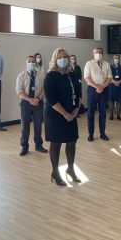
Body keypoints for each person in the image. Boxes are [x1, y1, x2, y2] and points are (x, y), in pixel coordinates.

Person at [44, 48, 81, 186]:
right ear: (55, 59)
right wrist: (65, 114)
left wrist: (76, 109)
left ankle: (70, 169)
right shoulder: (51, 76)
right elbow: (51, 99)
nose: (63, 59)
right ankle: (55, 172)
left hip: (72, 114)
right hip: (56, 115)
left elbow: (78, 93)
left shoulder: (72, 74)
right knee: (56, 143)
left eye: (65, 56)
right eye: (60, 57)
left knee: (72, 142)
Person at [16, 56, 48, 156]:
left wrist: (37, 99)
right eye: (29, 62)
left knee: (38, 126)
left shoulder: (41, 75)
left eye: (33, 61)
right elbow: (19, 91)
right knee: (25, 126)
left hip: (38, 103)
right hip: (26, 103)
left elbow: (45, 89)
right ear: (26, 63)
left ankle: (38, 145)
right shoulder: (21, 76)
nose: (31, 63)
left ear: (36, 63)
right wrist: (30, 99)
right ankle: (24, 147)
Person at [84, 47, 112, 141]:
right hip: (92, 90)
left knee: (103, 113)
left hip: (104, 90)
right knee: (90, 113)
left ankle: (102, 133)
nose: (98, 54)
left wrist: (102, 87)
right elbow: (87, 78)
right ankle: (91, 134)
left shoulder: (107, 64)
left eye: (100, 52)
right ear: (93, 53)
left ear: (102, 53)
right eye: (96, 52)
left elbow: (109, 78)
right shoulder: (89, 64)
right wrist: (97, 87)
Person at [108, 55, 121, 120]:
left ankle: (118, 115)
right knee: (111, 101)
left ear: (119, 59)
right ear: (113, 59)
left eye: (117, 58)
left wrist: (119, 82)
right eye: (115, 58)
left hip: (120, 86)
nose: (116, 59)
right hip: (111, 86)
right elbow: (107, 76)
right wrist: (114, 82)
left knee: (119, 101)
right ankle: (111, 115)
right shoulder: (110, 67)